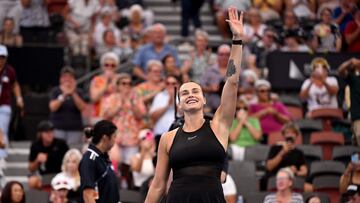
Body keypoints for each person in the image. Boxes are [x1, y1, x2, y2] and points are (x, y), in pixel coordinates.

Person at [144, 6, 244, 202]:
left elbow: (232, 82)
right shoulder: (167, 138)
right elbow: (158, 185)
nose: (191, 95)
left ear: (204, 99)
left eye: (195, 90)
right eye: (185, 93)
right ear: (179, 104)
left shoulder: (218, 125)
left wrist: (237, 40)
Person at [79, 120, 120, 203]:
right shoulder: (90, 160)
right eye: (114, 137)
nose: (115, 140)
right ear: (105, 138)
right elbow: (88, 195)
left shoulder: (104, 158)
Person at [261, 122, 307, 190]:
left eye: (292, 133)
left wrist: (296, 172)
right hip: (275, 178)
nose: (290, 135)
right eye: (287, 133)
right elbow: (269, 167)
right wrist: (282, 153)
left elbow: (304, 171)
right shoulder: (275, 148)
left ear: (296, 135)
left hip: (291, 180)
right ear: (284, 135)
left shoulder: (299, 153)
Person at [49, 66, 87, 145]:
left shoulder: (79, 91)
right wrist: (64, 94)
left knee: (73, 153)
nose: (67, 79)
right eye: (65, 76)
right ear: (60, 79)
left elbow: (82, 107)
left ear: (74, 79)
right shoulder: (55, 91)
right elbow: (52, 107)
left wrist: (73, 92)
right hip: (58, 128)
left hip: (75, 129)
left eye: (70, 76)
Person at [28, 120, 69, 189]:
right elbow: (31, 168)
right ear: (40, 134)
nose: (50, 134)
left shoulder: (61, 144)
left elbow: (69, 160)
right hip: (43, 175)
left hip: (60, 174)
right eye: (47, 132)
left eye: (51, 132)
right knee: (32, 181)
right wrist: (37, 160)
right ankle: (40, 198)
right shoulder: (35, 146)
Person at [0, 45, 24, 160]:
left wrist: (19, 97)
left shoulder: (9, 71)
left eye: (3, 57)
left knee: (2, 128)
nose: (1, 60)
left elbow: (15, 85)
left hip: (4, 104)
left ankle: (2, 156)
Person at [338, 58, 360, 146]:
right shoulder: (353, 78)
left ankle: (354, 159)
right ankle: (354, 159)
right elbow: (341, 70)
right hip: (358, 117)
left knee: (355, 147)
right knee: (356, 146)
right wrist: (350, 61)